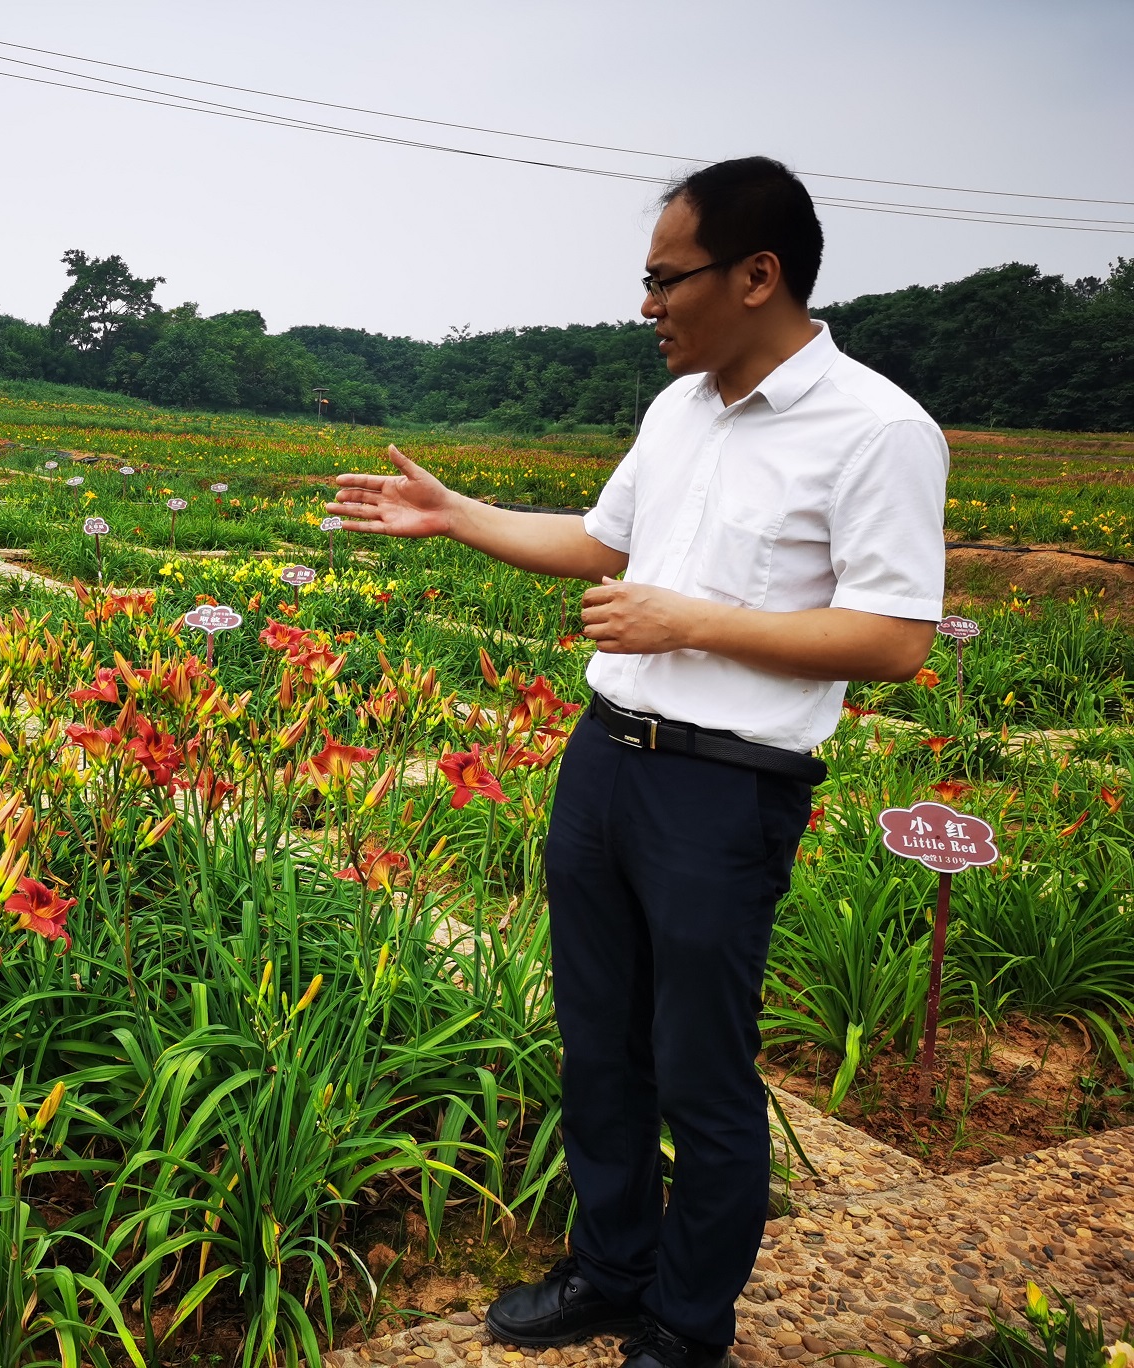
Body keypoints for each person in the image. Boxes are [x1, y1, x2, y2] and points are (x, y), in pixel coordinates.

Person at [327, 156, 947, 1368]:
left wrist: (691, 621)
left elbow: (894, 637)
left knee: (699, 1070)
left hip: (726, 791)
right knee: (597, 1045)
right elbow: (601, 542)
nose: (649, 306)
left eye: (666, 280)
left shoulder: (878, 429)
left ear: (757, 275)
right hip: (605, 762)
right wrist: (458, 513)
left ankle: (686, 1321)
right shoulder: (678, 409)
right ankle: (611, 1271)